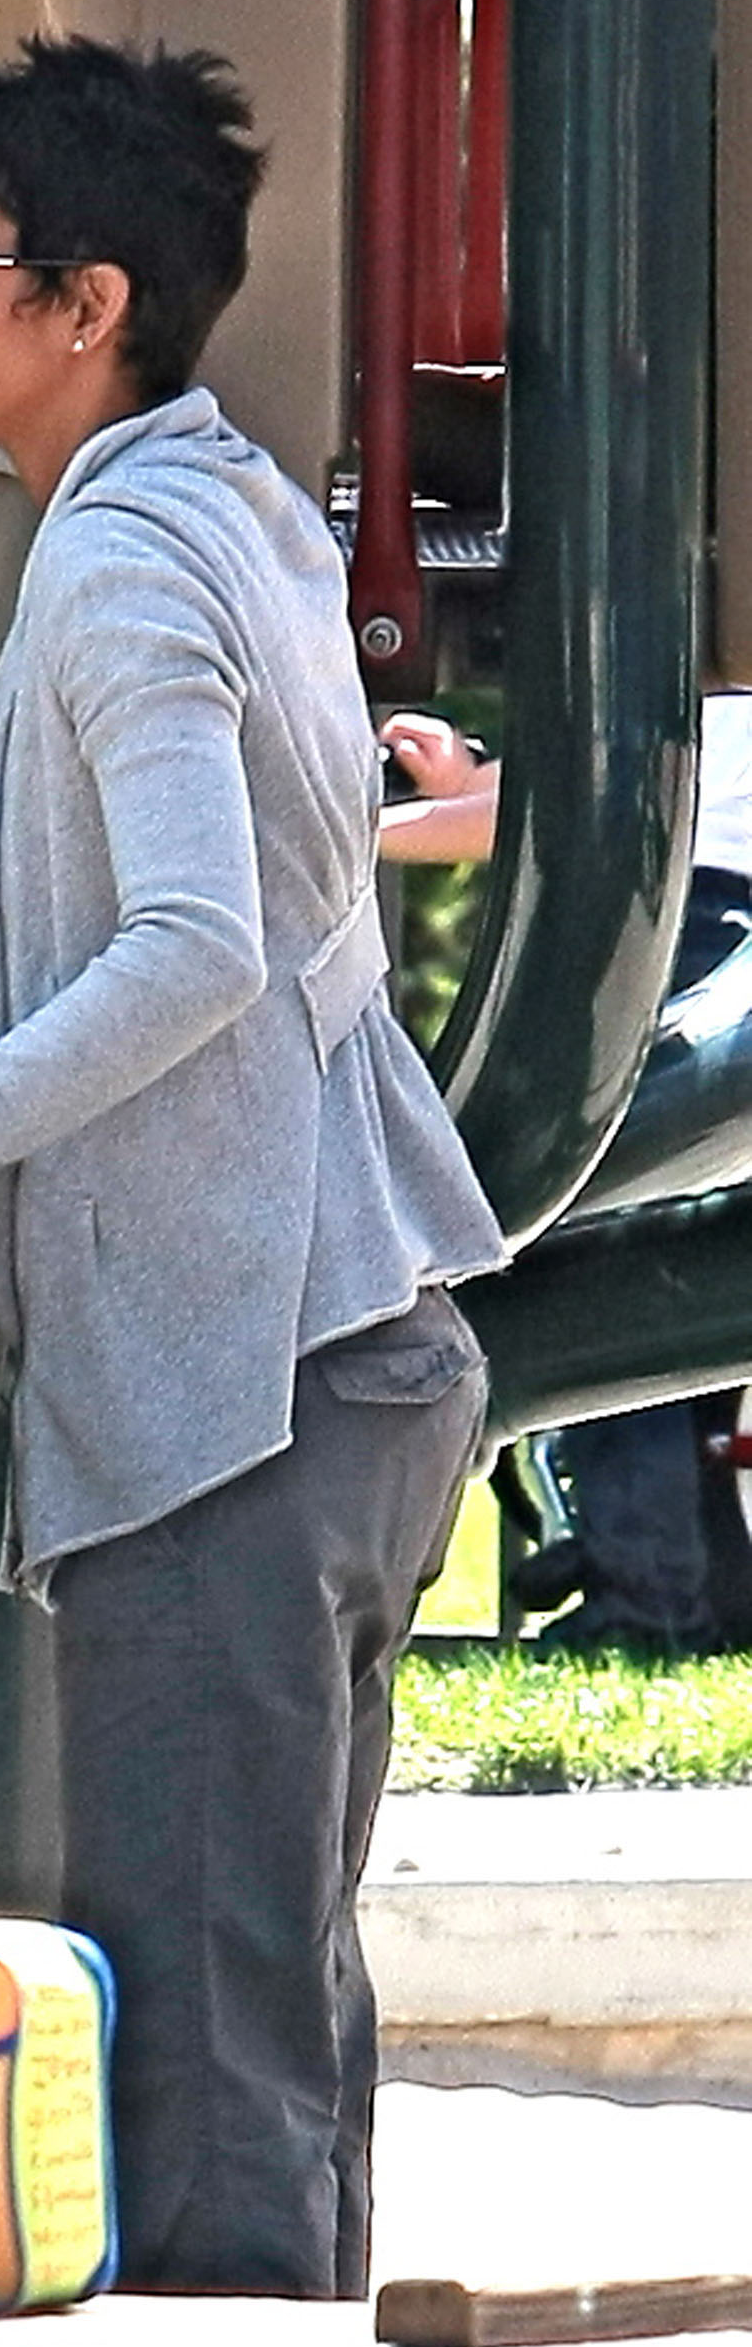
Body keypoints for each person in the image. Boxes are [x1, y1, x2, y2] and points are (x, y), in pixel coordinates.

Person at [0, 36, 505, 2297]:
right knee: (271, 2000)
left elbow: (189, 950)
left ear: (88, 305)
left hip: (238, 1394)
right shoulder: (221, 493)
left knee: (209, 2052)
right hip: (352, 1348)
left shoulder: (123, 572)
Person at [383, 702, 752, 1652]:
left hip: (688, 937)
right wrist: (464, 781)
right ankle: (696, 1591)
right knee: (674, 1292)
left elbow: (574, 812)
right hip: (712, 936)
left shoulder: (705, 683)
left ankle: (642, 1596)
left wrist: (348, 834)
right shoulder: (704, 687)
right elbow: (569, 788)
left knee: (606, 1272)